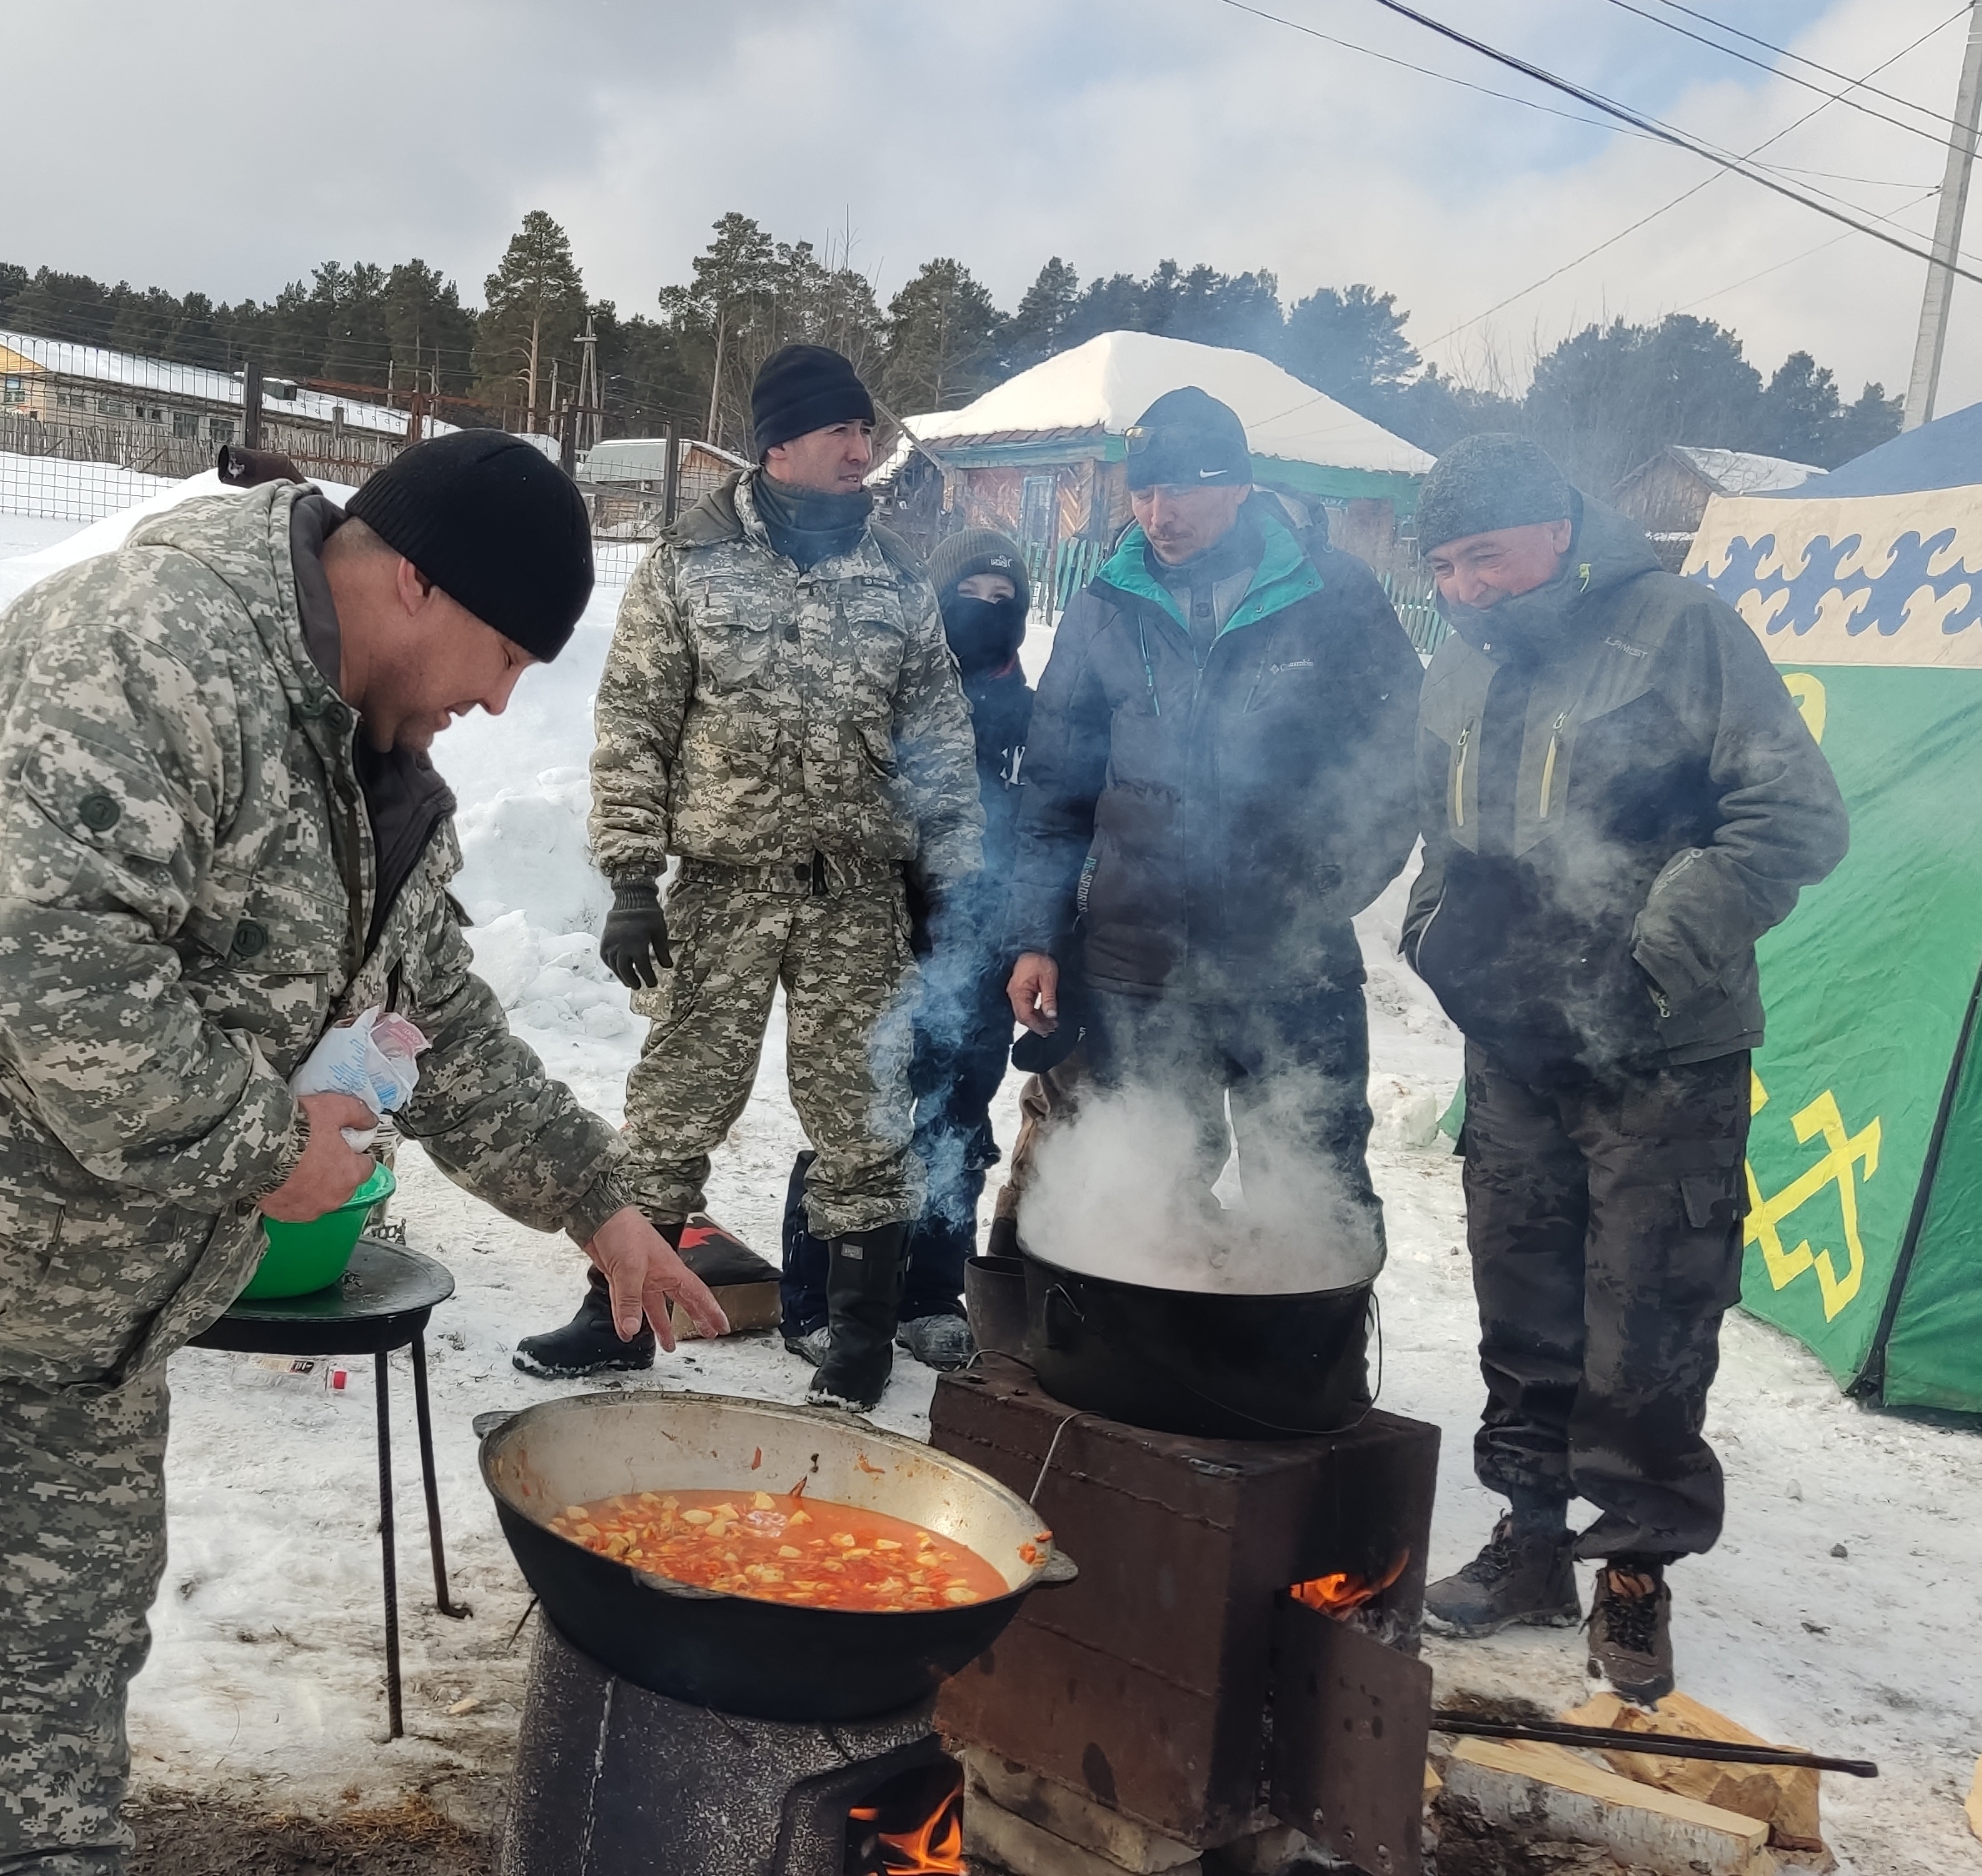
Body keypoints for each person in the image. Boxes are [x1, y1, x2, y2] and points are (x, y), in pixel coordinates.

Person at [0, 434, 721, 1876]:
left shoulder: (375, 755)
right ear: (414, 582)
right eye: (505, 654)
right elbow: (31, 955)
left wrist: (599, 1204)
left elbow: (426, 1009)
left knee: (52, 1692)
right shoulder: (149, 647)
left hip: (71, 1311)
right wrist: (267, 1150)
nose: (503, 699)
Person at [1402, 434, 1847, 1704]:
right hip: (1518, 1045)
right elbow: (1444, 826)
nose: (1465, 587)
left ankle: (1636, 1574)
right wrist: (1441, 937)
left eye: (1483, 555)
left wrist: (1657, 948)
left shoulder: (1680, 631)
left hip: (1663, 1049)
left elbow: (1795, 817)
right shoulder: (1462, 660)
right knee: (1522, 1302)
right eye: (1442, 565)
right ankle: (1530, 1543)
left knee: (1648, 1320)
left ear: (1554, 524)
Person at [520, 343, 981, 1412]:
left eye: (866, 433)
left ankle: (859, 1341)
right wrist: (633, 874)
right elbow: (633, 722)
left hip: (856, 892)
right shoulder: (689, 563)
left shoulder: (900, 578)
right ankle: (617, 1318)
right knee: (673, 1109)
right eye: (841, 433)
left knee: (863, 1115)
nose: (862, 451)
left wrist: (948, 881)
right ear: (780, 443)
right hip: (723, 889)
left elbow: (940, 740)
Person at [1003, 388, 1421, 1274]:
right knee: (1144, 1192)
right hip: (1135, 963)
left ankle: (1309, 1382)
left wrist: (1318, 895)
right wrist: (1036, 934)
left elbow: (1395, 768)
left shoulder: (1333, 597)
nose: (1160, 514)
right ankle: (1152, 1386)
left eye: (1183, 490)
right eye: (1143, 492)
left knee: (1312, 1185)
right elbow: (1053, 794)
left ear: (1237, 485)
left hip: (1290, 965)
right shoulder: (1103, 608)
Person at [776, 529, 1033, 1372]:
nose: (984, 612)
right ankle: (815, 1297)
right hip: (878, 944)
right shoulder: (890, 687)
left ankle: (927, 1290)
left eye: (1004, 598)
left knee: (958, 1125)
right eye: (970, 592)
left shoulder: (1034, 718)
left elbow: (1055, 835)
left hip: (983, 953)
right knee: (857, 1117)